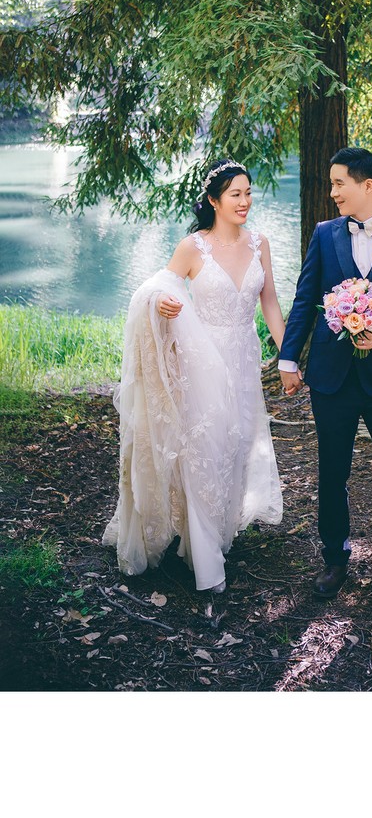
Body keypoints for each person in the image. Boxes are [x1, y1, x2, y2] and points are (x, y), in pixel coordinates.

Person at [103, 159, 284, 594]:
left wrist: (289, 357)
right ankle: (205, 560)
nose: (244, 201)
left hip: (244, 362)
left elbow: (270, 302)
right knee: (204, 451)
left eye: (248, 192)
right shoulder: (193, 247)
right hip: (202, 362)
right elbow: (156, 287)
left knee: (235, 447)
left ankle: (218, 534)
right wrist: (161, 304)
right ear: (214, 201)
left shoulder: (259, 243)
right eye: (235, 194)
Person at [279, 147, 372, 606]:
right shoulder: (324, 235)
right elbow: (306, 299)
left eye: (338, 183)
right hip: (332, 378)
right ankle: (335, 560)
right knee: (333, 471)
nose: (332, 193)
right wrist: (288, 358)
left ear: (367, 185)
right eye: (331, 184)